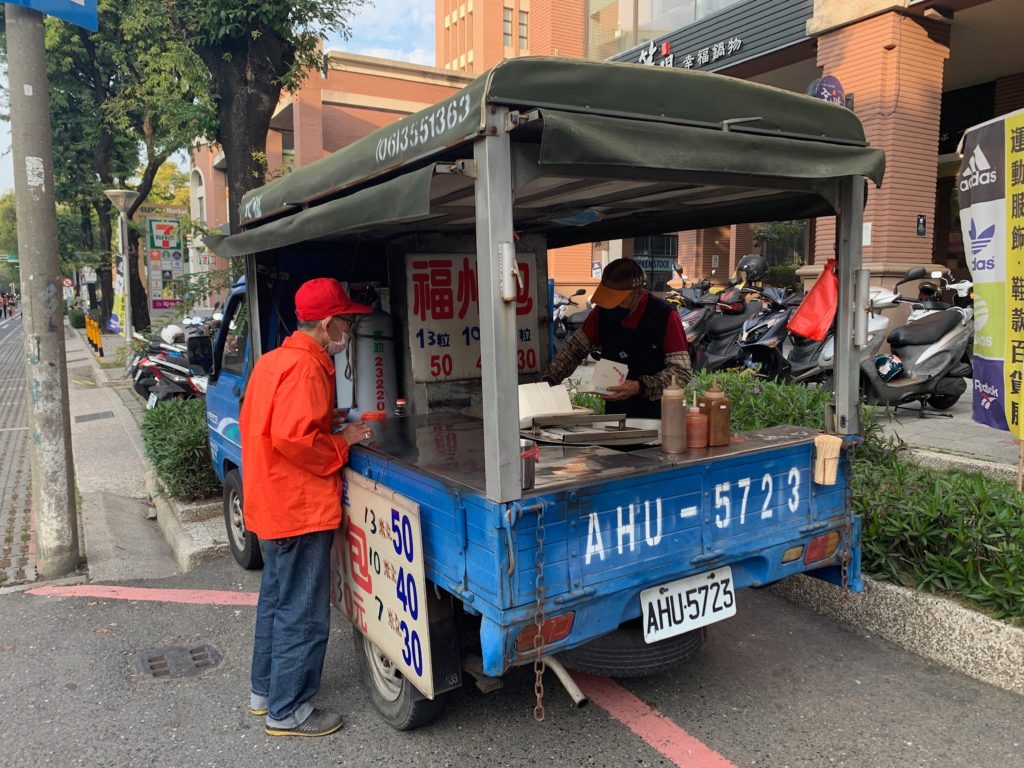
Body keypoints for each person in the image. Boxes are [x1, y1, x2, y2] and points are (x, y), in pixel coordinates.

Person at [240, 277, 373, 738]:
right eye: (347, 322)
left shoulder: (277, 359)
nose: (349, 331)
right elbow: (294, 439)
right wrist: (342, 440)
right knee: (303, 611)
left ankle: (265, 693)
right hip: (297, 507)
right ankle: (289, 709)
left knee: (276, 602)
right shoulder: (306, 368)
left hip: (271, 505)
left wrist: (326, 420)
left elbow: (275, 423)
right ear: (328, 322)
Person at [542, 258, 691, 418]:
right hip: (614, 417)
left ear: (638, 294)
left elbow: (681, 372)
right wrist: (547, 382)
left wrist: (639, 386)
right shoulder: (601, 313)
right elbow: (573, 351)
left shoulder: (665, 316)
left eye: (617, 301)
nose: (610, 306)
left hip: (658, 416)